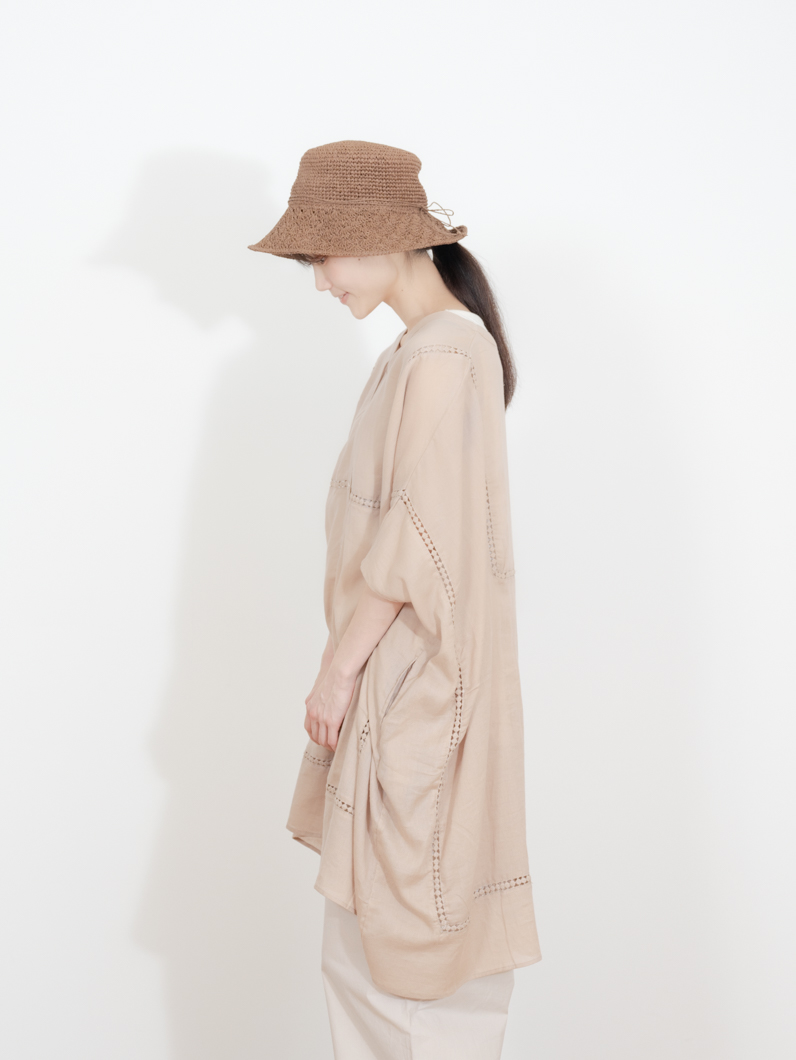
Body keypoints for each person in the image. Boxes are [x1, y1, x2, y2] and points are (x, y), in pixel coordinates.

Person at [248, 140, 542, 1060]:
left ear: (382, 236)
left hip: (414, 690)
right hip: (405, 686)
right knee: (381, 967)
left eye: (321, 255)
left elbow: (416, 540)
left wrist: (338, 673)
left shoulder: (444, 355)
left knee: (406, 975)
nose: (318, 281)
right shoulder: (423, 351)